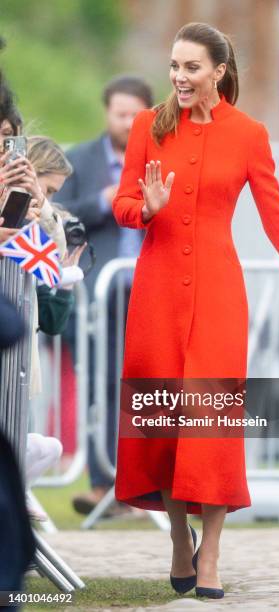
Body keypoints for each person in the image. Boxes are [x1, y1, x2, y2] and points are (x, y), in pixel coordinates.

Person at [112, 22, 279, 599]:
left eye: (191, 68)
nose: (179, 78)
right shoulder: (145, 126)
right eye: (174, 66)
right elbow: (123, 203)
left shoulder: (249, 134)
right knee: (163, 420)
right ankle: (180, 539)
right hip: (157, 292)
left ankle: (210, 555)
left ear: (219, 72)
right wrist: (146, 209)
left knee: (210, 423)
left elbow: (276, 216)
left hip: (217, 293)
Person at [57, 75, 154, 516]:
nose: (128, 122)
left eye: (136, 114)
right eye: (120, 114)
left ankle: (146, 484)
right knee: (98, 385)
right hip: (97, 293)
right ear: (107, 113)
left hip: (151, 288)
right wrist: (104, 200)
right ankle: (103, 484)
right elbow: (59, 217)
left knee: (147, 387)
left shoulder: (161, 158)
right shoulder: (78, 160)